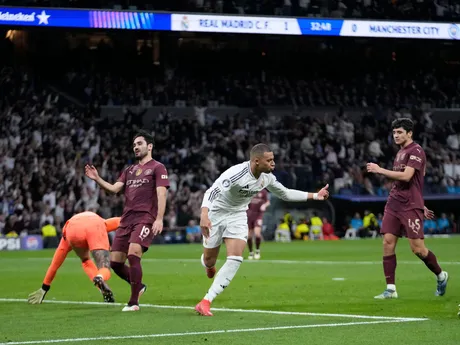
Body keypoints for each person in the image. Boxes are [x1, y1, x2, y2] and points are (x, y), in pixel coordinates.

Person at [195, 143, 329, 316]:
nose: (273, 163)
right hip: (216, 213)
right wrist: (204, 215)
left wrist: (315, 195)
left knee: (235, 258)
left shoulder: (267, 178)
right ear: (256, 161)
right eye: (269, 160)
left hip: (237, 215)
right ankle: (208, 265)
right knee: (209, 259)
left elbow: (285, 193)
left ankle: (206, 301)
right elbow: (211, 192)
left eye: (273, 159)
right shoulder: (236, 173)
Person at [85, 130, 170, 312]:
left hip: (145, 218)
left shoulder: (158, 167)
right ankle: (139, 286)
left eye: (139, 144)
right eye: (134, 145)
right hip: (126, 219)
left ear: (149, 146)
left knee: (133, 254)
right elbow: (114, 189)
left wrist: (160, 218)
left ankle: (133, 302)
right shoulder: (129, 170)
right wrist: (97, 179)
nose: (136, 147)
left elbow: (162, 193)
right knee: (115, 262)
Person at [366, 118, 448, 299]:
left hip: (410, 205)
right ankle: (391, 289)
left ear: (409, 133)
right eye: (394, 132)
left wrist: (380, 170)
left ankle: (441, 276)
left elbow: (407, 176)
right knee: (387, 242)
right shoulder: (400, 152)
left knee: (417, 249)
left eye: (400, 132)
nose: (396, 135)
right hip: (394, 202)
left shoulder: (416, 151)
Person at [27, 212, 121, 304]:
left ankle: (100, 285)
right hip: (95, 225)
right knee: (104, 267)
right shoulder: (103, 223)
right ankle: (100, 277)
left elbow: (54, 266)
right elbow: (121, 221)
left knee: (85, 261)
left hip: (71, 231)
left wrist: (44, 288)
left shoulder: (65, 237)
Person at [246, 188, 270, 260]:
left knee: (257, 234)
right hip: (249, 215)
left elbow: (268, 202)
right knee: (249, 236)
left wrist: (264, 205)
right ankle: (251, 252)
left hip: (258, 215)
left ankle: (257, 251)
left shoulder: (263, 191)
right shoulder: (249, 190)